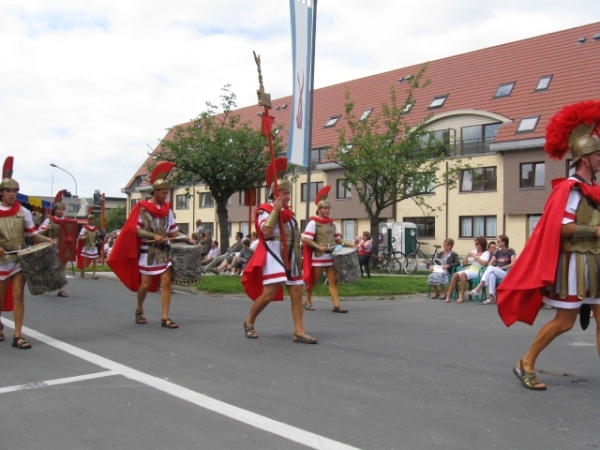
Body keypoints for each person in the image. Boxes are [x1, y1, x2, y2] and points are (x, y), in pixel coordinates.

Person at [497, 100, 600, 390]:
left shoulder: (594, 190)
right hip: (575, 263)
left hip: (595, 261)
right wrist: (596, 231)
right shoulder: (571, 189)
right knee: (565, 322)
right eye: (598, 154)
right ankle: (525, 362)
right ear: (585, 157)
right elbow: (561, 227)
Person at [108, 162, 195, 329]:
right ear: (155, 192)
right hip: (147, 252)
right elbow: (136, 230)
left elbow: (173, 231)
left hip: (163, 251)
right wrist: (153, 235)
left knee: (167, 282)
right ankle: (139, 308)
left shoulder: (167, 210)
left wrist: (186, 238)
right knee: (145, 285)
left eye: (167, 193)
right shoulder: (142, 208)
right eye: (163, 193)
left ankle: (165, 317)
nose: (166, 196)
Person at [241, 158, 317, 344]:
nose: (287, 196)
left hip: (291, 255)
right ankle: (249, 321)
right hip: (273, 253)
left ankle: (299, 332)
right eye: (284, 193)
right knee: (269, 293)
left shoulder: (289, 214)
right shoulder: (264, 211)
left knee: (297, 293)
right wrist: (275, 211)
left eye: (289, 193)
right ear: (275, 195)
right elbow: (265, 232)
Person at [0, 157, 54, 349]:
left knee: (18, 296)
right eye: (8, 191)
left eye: (15, 191)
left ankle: (17, 336)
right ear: (1, 192)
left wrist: (46, 239)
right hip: (0, 261)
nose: (12, 194)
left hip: (19, 259)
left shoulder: (24, 211)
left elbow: (31, 233)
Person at [302, 186, 355, 312]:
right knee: (314, 281)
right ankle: (307, 300)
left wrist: (350, 244)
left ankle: (336, 305)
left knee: (333, 280)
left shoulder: (332, 223)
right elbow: (306, 239)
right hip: (319, 255)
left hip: (331, 255)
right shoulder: (313, 223)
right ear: (319, 209)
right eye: (325, 208)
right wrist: (319, 246)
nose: (327, 210)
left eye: (329, 208)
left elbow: (338, 240)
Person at [38, 190, 73, 298]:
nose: (61, 211)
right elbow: (38, 233)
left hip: (63, 247)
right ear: (55, 210)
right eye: (59, 209)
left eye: (63, 209)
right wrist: (46, 229)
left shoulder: (68, 221)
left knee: (61, 268)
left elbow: (71, 234)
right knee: (51, 267)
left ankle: (61, 289)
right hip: (51, 246)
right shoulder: (49, 221)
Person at [468, 234, 516, 304]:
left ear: (504, 242)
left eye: (498, 241)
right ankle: (491, 297)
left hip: (506, 273)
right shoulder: (498, 252)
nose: (497, 243)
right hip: (497, 271)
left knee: (491, 269)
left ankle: (479, 287)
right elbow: (490, 263)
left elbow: (513, 263)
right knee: (491, 275)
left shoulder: (511, 251)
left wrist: (503, 267)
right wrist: (496, 268)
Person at [444, 236, 490, 303]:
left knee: (463, 274)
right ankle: (448, 295)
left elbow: (484, 263)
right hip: (470, 270)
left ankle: (462, 296)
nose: (475, 245)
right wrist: (467, 258)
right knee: (455, 274)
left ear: (482, 244)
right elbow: (464, 263)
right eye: (475, 243)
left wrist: (475, 257)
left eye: (477, 244)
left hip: (479, 271)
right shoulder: (474, 251)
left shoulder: (486, 253)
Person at [77, 214, 99, 279]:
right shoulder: (85, 228)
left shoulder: (96, 228)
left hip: (93, 246)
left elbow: (98, 236)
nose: (92, 221)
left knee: (94, 260)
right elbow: (80, 237)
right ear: (88, 220)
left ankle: (94, 274)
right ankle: (82, 270)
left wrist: (99, 239)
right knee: (85, 260)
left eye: (93, 220)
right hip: (86, 245)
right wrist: (85, 237)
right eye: (90, 220)